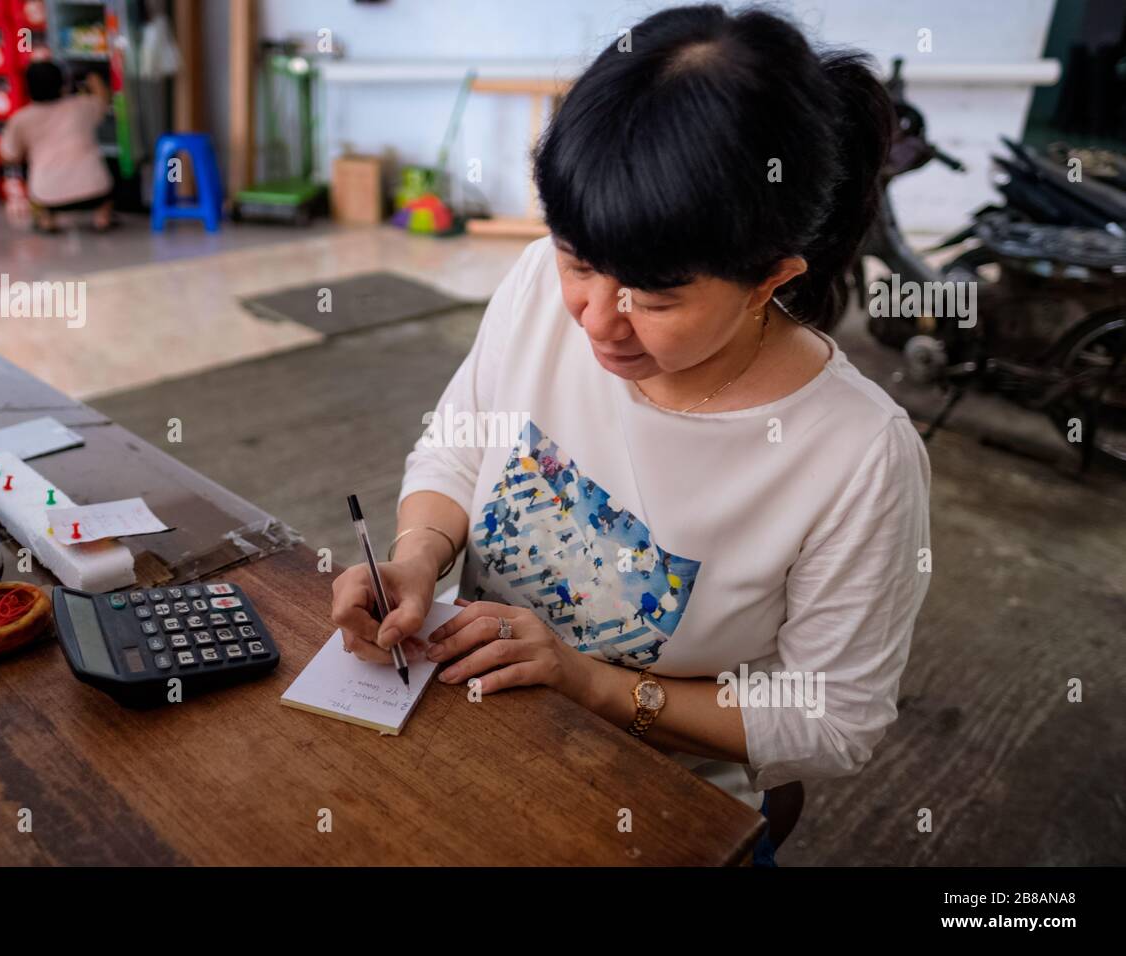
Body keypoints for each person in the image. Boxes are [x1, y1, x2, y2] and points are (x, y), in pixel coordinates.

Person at [330, 4, 931, 863]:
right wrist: (417, 559)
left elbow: (835, 719)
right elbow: (462, 443)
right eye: (579, 258)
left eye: (655, 297)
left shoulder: (857, 455)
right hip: (472, 740)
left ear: (769, 280)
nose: (596, 319)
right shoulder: (542, 281)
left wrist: (593, 684)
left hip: (660, 808)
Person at [0, 62, 114, 233]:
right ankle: (102, 218)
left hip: (47, 194)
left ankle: (47, 220)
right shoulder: (82, 106)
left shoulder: (21, 119)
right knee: (103, 187)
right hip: (95, 190)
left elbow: (8, 157)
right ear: (63, 84)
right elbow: (104, 98)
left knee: (42, 200)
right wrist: (91, 76)